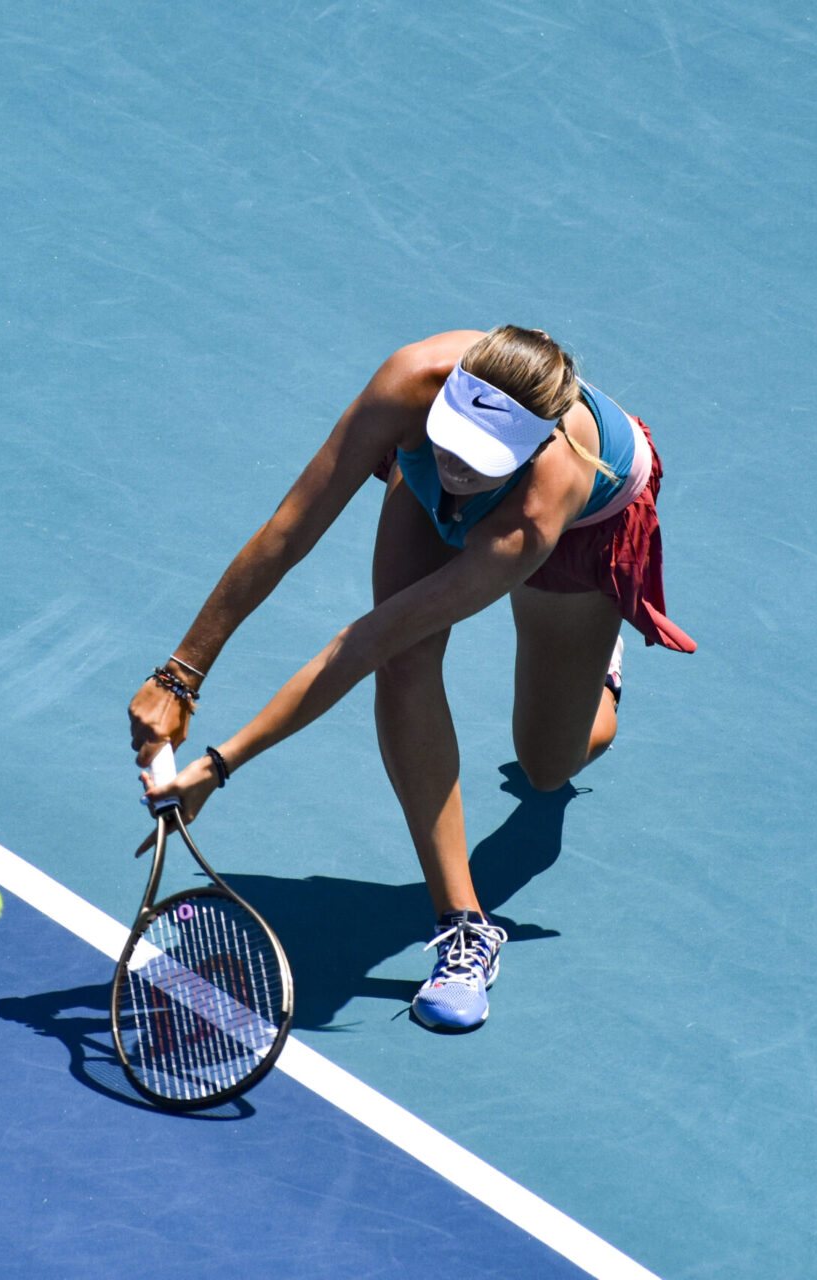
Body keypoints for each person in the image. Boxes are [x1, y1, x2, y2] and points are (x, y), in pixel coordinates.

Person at [126, 325, 695, 1032]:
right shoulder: (411, 383)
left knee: (549, 765)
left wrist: (219, 764)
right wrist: (179, 677)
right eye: (451, 436)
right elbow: (288, 531)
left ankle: (596, 667)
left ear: (534, 446)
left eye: (479, 455)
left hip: (578, 534)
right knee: (407, 661)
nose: (455, 465)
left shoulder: (540, 502)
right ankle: (466, 929)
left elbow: (358, 643)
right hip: (477, 496)